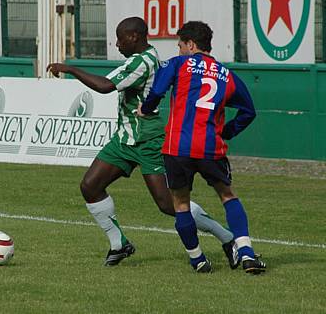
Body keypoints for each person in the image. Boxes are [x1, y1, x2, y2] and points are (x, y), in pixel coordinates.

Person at [46, 16, 237, 267]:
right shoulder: (138, 59)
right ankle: (119, 244)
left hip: (149, 139)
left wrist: (70, 69)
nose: (116, 44)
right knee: (90, 186)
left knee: (168, 204)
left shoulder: (143, 62)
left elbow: (105, 86)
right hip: (126, 137)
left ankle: (227, 237)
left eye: (120, 38)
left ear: (134, 37)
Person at [139, 20, 266, 274]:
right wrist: (226, 132)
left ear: (191, 44)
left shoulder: (179, 64)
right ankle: (247, 253)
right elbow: (248, 112)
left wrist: (147, 108)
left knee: (181, 203)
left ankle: (197, 259)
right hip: (210, 148)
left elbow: (157, 90)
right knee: (227, 195)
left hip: (177, 148)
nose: (178, 50)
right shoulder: (227, 74)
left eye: (180, 45)